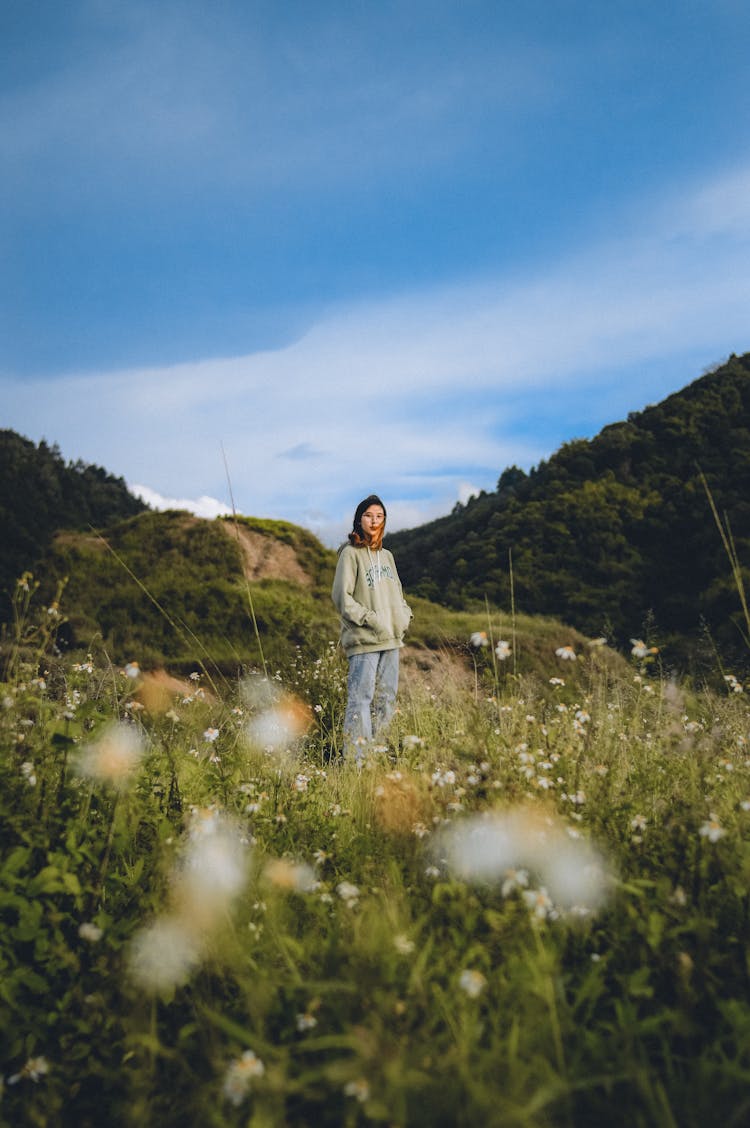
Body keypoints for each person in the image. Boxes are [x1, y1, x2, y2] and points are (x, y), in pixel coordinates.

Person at [331, 494, 412, 756]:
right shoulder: (350, 554)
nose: (374, 521)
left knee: (386, 700)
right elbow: (342, 597)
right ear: (359, 520)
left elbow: (397, 591)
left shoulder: (387, 556)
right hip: (364, 640)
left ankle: (376, 756)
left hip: (391, 638)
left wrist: (404, 615)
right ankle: (356, 762)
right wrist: (371, 619)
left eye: (379, 516)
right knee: (360, 701)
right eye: (369, 515)